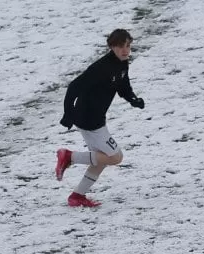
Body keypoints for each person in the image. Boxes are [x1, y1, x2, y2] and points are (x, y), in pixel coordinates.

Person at [55, 29, 144, 208]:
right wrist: (68, 113)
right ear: (112, 46)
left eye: (127, 46)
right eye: (120, 47)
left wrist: (133, 99)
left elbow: (123, 85)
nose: (125, 50)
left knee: (101, 158)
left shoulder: (122, 63)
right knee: (115, 157)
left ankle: (77, 196)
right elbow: (74, 87)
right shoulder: (101, 67)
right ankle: (69, 156)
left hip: (94, 118)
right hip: (90, 120)